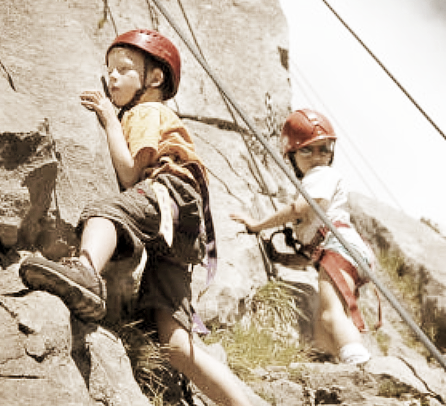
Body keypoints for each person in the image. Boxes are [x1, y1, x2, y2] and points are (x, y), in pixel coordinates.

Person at [19, 29, 252, 406]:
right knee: (174, 342)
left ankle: (86, 270)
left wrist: (111, 119)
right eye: (108, 69)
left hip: (170, 192)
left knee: (105, 210)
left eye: (123, 69)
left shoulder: (147, 111)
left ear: (154, 79)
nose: (111, 77)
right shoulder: (153, 111)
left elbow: (130, 175)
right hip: (185, 223)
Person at [230, 109, 373, 365]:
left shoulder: (321, 175)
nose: (317, 157)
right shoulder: (319, 180)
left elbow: (300, 208)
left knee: (331, 315)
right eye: (307, 150)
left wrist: (257, 225)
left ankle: (357, 361)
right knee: (323, 319)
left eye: (324, 149)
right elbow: (311, 257)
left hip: (339, 249)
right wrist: (280, 258)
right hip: (342, 250)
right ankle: (327, 357)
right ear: (292, 156)